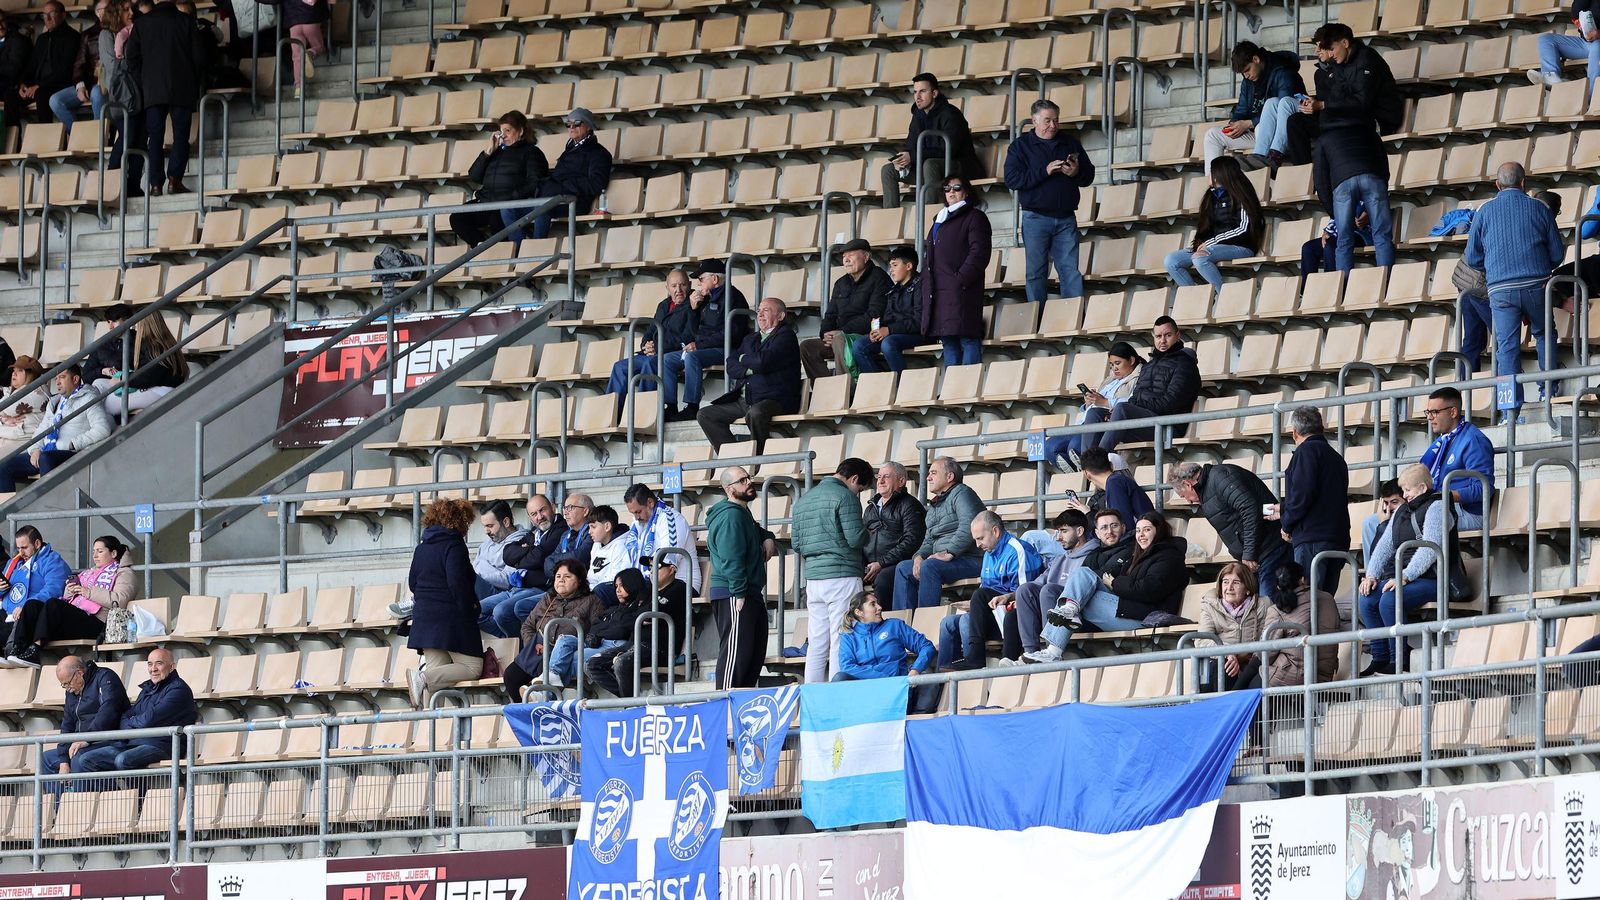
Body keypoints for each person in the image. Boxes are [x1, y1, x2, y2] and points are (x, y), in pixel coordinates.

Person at [1464, 162, 1565, 415]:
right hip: (1536, 284)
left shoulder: (1484, 212)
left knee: (1505, 347)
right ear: (1524, 183)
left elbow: (1472, 258)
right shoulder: (1539, 208)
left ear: (1497, 185)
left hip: (1500, 290)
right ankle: (1548, 390)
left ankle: (1511, 410)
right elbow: (1557, 254)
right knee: (1543, 335)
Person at [1301, 23, 1401, 273]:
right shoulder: (1339, 67)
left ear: (1345, 42)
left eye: (1331, 49)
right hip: (1372, 171)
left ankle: (1343, 286)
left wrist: (1333, 213)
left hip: (1378, 120)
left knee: (1343, 240)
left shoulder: (1367, 60)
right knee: (1382, 236)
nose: (1330, 55)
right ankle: (1386, 282)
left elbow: (1360, 103)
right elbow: (1382, 160)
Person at [1027, 513, 1190, 661]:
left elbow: (1147, 590)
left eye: (1146, 530)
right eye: (1139, 530)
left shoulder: (1169, 557)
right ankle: (1069, 613)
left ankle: (1054, 649)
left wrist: (1115, 583)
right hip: (1128, 610)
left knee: (1084, 593)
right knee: (1082, 574)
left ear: (1159, 531)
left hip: (1144, 618)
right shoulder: (1140, 556)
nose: (1140, 535)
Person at [1359, 464, 1470, 675]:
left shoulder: (1438, 507)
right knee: (1367, 597)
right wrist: (1371, 575)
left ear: (1421, 487)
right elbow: (1385, 545)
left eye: (1407, 490)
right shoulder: (1403, 510)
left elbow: (1430, 549)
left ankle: (1399, 658)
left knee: (1390, 599)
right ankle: (1379, 656)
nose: (1404, 494)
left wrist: (1405, 576)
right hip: (1409, 578)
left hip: (1434, 578)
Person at [1004, 97, 1095, 302]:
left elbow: (1089, 176)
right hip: (1035, 217)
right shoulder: (1020, 146)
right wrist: (1044, 171)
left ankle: (1072, 316)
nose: (1052, 125)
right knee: (1036, 273)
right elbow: (1012, 180)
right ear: (1034, 121)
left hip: (1065, 217)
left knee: (1070, 271)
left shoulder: (1070, 142)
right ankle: (1037, 320)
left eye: (1055, 120)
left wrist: (1076, 173)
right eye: (1047, 120)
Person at [790, 457, 872, 683]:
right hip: (842, 575)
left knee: (817, 642)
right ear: (854, 479)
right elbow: (856, 539)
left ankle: (812, 694)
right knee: (841, 638)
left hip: (814, 579)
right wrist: (868, 531)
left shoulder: (804, 501)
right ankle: (837, 693)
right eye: (860, 488)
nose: (858, 493)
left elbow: (796, 544)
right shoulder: (846, 497)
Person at [1021, 509, 1140, 663]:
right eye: (1104, 528)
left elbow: (1105, 574)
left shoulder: (1131, 549)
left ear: (1123, 528)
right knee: (1025, 591)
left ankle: (1060, 630)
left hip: (1116, 610)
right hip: (1093, 609)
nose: (1109, 531)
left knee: (1079, 574)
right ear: (1097, 532)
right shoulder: (1095, 554)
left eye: (1114, 526)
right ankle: (1030, 653)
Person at [3, 535, 133, 669]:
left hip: (98, 623)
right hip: (79, 618)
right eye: (93, 551)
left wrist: (86, 591)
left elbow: (119, 600)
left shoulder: (124, 573)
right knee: (32, 605)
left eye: (100, 551)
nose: (95, 556)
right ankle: (18, 649)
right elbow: (69, 597)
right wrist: (70, 590)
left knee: (54, 604)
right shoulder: (89, 572)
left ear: (113, 553)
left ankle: (35, 650)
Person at [403, 499, 484, 708]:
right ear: (459, 520)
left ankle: (430, 731)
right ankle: (421, 679)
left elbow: (413, 583)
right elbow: (458, 583)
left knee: (436, 678)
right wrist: (470, 610)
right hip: (450, 619)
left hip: (424, 619)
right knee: (472, 666)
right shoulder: (454, 545)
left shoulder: (422, 548)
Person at [697, 296, 801, 454]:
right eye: (759, 311)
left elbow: (762, 362)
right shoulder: (751, 338)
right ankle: (733, 458)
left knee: (756, 413)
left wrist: (744, 359)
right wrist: (749, 368)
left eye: (766, 310)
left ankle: (758, 459)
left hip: (774, 399)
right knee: (705, 414)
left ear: (781, 316)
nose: (760, 314)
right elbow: (731, 365)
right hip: (746, 400)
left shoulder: (786, 336)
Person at [72, 648, 195, 780]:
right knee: (86, 759)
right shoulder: (147, 689)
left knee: (123, 760)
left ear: (172, 666)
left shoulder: (178, 689)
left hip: (164, 745)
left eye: (159, 663)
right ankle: (116, 796)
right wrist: (135, 722)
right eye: (149, 664)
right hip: (133, 743)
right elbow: (125, 716)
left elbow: (148, 720)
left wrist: (133, 722)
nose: (153, 669)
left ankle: (138, 798)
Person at [1171, 460, 1290, 595]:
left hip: (1270, 550)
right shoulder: (1211, 485)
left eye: (1184, 495)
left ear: (1188, 484)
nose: (1189, 501)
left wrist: (1249, 554)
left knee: (1270, 606)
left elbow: (1250, 510)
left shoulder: (1220, 478)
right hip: (1261, 554)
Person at [705, 466, 776, 689]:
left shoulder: (741, 512)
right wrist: (738, 593)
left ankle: (740, 709)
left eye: (748, 478)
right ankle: (724, 706)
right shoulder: (730, 516)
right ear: (728, 489)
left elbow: (754, 530)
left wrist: (767, 537)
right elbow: (730, 558)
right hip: (735, 592)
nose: (749, 483)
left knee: (751, 656)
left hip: (748, 591)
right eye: (742, 481)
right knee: (735, 657)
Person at [945, 511, 1041, 670]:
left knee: (970, 612)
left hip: (1018, 617)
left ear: (995, 531)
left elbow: (1026, 594)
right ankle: (943, 677)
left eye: (980, 538)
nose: (977, 545)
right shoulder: (988, 552)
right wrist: (974, 605)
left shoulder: (1017, 550)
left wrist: (992, 600)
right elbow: (985, 589)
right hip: (996, 613)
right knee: (947, 623)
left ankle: (975, 659)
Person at [126, 0, 203, 196]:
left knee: (155, 138)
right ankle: (174, 179)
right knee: (180, 136)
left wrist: (143, 81)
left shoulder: (142, 23)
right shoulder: (186, 21)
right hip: (182, 86)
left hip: (152, 89)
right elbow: (198, 57)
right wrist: (195, 81)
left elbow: (131, 57)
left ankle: (155, 184)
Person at [1273, 406, 1351, 595]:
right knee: (1325, 600)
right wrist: (1284, 509)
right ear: (1321, 428)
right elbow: (1322, 497)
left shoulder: (1305, 453)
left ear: (1294, 432)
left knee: (1309, 600)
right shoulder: (1336, 458)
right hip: (1337, 537)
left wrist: (1286, 524)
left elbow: (1302, 496)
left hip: (1313, 539)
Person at [1094, 317, 1201, 452]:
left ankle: (1098, 463)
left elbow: (1169, 405)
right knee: (1095, 413)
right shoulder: (1148, 366)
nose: (1162, 340)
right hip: (1146, 423)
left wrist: (1134, 407)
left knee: (1122, 409)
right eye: (1158, 336)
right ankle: (1086, 468)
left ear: (1177, 335)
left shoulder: (1185, 366)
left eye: (1168, 335)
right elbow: (1135, 397)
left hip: (1167, 427)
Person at [891, 456, 986, 609]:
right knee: (903, 568)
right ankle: (903, 625)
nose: (928, 477)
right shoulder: (935, 504)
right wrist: (918, 557)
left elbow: (969, 526)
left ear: (950, 476)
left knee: (929, 566)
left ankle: (925, 622)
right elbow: (929, 540)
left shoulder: (962, 493)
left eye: (933, 473)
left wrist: (950, 552)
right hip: (944, 560)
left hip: (971, 558)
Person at [586, 558, 689, 697]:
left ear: (672, 569)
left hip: (659, 648)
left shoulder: (679, 588)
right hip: (633, 644)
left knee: (622, 663)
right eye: (650, 568)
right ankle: (632, 698)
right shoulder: (649, 592)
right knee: (592, 664)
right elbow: (632, 617)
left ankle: (631, 706)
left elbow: (647, 615)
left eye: (657, 567)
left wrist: (641, 616)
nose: (652, 571)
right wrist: (641, 617)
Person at [662, 259, 749, 422]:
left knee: (692, 356)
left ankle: (692, 407)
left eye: (701, 279)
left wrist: (699, 345)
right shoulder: (707, 298)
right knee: (667, 359)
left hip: (725, 348)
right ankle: (671, 407)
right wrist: (694, 310)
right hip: (703, 347)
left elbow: (733, 334)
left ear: (714, 279)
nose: (698, 283)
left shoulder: (733, 297)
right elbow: (695, 331)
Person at [0, 365, 112, 492]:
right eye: (56, 378)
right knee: (4, 467)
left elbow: (102, 429)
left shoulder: (88, 398)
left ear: (75, 379)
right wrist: (35, 448)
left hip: (70, 452)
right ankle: (6, 510)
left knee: (45, 459)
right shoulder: (54, 402)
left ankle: (46, 505)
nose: (57, 382)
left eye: (62, 377)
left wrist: (73, 444)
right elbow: (42, 429)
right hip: (46, 451)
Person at [1007, 509, 1099, 661]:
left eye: (1063, 531)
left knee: (1049, 590)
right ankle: (1030, 652)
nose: (1058, 538)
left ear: (1080, 531)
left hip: (1079, 617)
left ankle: (1052, 648)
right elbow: (1038, 582)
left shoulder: (1094, 555)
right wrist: (1010, 596)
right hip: (1053, 611)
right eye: (1057, 532)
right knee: (1024, 590)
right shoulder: (1060, 559)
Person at [880, 73, 982, 208]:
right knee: (888, 170)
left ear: (934, 93)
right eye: (915, 92)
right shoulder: (918, 115)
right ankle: (890, 220)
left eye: (922, 91)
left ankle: (928, 215)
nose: (918, 96)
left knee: (930, 164)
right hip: (929, 170)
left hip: (960, 166)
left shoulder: (950, 114)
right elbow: (911, 146)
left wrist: (914, 156)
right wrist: (903, 161)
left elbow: (949, 150)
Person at [448, 110, 550, 246]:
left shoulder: (532, 152)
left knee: (498, 222)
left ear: (520, 131)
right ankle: (483, 247)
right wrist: (487, 152)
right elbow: (474, 176)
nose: (503, 135)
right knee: (457, 217)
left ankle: (502, 256)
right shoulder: (495, 152)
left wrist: (511, 197)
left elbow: (534, 182)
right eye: (501, 130)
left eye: (508, 130)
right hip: (486, 202)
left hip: (509, 204)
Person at [1203, 41, 1305, 176]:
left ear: (1256, 59)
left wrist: (1249, 123)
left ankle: (1264, 161)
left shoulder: (1282, 71)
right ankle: (1214, 183)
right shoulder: (1248, 81)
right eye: (1243, 73)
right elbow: (1242, 109)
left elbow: (1283, 110)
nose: (1246, 76)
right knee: (1212, 135)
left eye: (1247, 70)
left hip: (1278, 133)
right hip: (1257, 134)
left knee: (1265, 117)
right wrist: (1235, 124)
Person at [504, 558, 602, 697]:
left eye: (567, 576)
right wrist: (535, 643)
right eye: (558, 576)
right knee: (511, 676)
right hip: (538, 651)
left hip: (564, 652)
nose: (561, 580)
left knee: (543, 669)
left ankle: (545, 710)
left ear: (579, 580)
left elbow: (596, 632)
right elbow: (528, 626)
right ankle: (526, 715)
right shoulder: (548, 599)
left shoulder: (592, 601)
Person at [1164, 156, 1264, 292]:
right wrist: (1202, 243)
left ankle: (1221, 296)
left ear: (1220, 174)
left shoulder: (1241, 195)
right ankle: (1196, 297)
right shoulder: (1211, 196)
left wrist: (1212, 242)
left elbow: (1244, 229)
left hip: (1241, 246)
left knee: (1200, 259)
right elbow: (1206, 227)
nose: (1209, 175)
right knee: (1171, 261)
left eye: (1211, 171)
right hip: (1214, 246)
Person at [922, 175, 990, 367]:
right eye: (947, 188)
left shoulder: (975, 217)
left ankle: (969, 390)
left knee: (967, 338)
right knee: (949, 341)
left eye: (957, 188)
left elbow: (979, 253)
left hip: (962, 289)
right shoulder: (939, 219)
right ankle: (953, 393)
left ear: (966, 191)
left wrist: (960, 279)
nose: (951, 192)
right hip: (940, 290)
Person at [801, 239, 893, 380]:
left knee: (839, 340)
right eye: (844, 256)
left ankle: (846, 391)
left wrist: (843, 332)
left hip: (865, 336)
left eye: (851, 255)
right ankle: (825, 390)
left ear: (866, 257)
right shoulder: (841, 283)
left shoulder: (879, 277)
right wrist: (825, 334)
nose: (846, 260)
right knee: (808, 347)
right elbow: (830, 315)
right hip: (839, 336)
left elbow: (875, 314)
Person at [836, 594, 940, 714]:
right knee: (840, 678)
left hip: (896, 691)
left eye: (878, 603)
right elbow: (847, 667)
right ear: (859, 612)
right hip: (867, 694)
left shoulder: (894, 626)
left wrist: (916, 670)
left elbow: (926, 646)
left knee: (928, 675)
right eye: (872, 604)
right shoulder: (849, 636)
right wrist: (883, 678)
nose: (879, 607)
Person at [605, 269, 693, 409]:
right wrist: (646, 345)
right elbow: (651, 330)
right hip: (653, 353)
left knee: (649, 364)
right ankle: (612, 415)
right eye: (674, 286)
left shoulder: (694, 305)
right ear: (667, 288)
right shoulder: (663, 305)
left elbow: (688, 336)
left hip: (671, 354)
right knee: (620, 367)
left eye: (682, 285)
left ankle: (642, 413)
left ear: (689, 284)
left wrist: (657, 347)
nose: (678, 290)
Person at [478, 494, 562, 639]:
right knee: (474, 610)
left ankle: (519, 647)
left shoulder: (558, 530)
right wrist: (530, 552)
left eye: (542, 510)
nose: (539, 517)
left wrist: (524, 555)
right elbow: (509, 554)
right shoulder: (534, 533)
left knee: (501, 611)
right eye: (534, 514)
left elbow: (537, 558)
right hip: (516, 588)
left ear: (553, 508)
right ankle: (511, 641)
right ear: (529, 518)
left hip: (535, 588)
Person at [1046, 342, 1142, 468]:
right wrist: (1088, 403)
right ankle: (1081, 474)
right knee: (1049, 447)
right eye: (1112, 365)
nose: (1114, 368)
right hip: (1084, 423)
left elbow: (1131, 403)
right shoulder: (1110, 379)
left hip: (1102, 425)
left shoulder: (1140, 377)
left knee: (1074, 447)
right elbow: (1090, 408)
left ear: (1131, 360)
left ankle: (1087, 474)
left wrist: (1103, 402)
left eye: (1118, 363)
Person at [41, 656, 126, 793]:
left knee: (79, 757)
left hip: (110, 741)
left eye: (67, 683)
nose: (66, 688)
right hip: (83, 744)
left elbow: (108, 711)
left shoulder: (105, 678)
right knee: (46, 759)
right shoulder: (72, 691)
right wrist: (63, 759)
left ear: (80, 673)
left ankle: (81, 809)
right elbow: (67, 724)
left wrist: (87, 738)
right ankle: (61, 810)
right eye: (63, 685)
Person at [1417, 386, 1495, 531]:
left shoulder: (1473, 441)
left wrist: (1443, 496)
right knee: (1375, 522)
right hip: (1441, 507)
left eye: (1434, 412)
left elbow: (1483, 488)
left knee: (1416, 523)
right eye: (1428, 412)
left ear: (1453, 412)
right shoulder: (1443, 440)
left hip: (1468, 513)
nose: (1429, 417)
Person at [529, 107, 612, 239]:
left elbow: (597, 184)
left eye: (577, 123)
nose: (571, 127)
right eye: (568, 124)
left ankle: (533, 249)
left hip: (575, 202)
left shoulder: (599, 153)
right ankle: (518, 249)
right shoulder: (569, 149)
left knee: (541, 210)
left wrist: (565, 185)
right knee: (509, 210)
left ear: (589, 126)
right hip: (553, 198)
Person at [93, 311, 189, 418]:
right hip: (152, 386)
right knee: (99, 383)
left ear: (144, 325)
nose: (135, 329)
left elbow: (147, 378)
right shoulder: (160, 341)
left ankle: (105, 430)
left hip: (162, 390)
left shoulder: (155, 346)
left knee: (108, 403)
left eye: (137, 325)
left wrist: (121, 379)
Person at [1263, 560, 1342, 688]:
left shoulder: (1277, 610)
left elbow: (1266, 655)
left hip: (1291, 679)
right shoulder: (1328, 598)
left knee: (1249, 687)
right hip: (1324, 677)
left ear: (1278, 586)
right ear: (1303, 580)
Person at [1194, 563, 1270, 691]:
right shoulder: (1210, 605)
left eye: (1236, 582)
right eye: (1225, 582)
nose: (1229, 587)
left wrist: (1244, 662)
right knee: (1223, 667)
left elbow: (1265, 641)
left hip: (1251, 663)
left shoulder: (1263, 605)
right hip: (1223, 661)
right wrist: (1228, 653)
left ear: (1247, 587)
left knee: (1260, 678)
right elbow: (1202, 640)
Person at [0, 525, 72, 657]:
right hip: (7, 613)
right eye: (18, 548)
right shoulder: (13, 563)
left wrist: (26, 605)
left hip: (30, 614)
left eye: (24, 547)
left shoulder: (52, 561)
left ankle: (12, 654)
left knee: (25, 612)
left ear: (37, 543)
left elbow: (53, 589)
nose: (20, 552)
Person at [853, 245, 924, 374]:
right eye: (890, 266)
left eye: (895, 265)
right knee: (859, 345)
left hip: (918, 334)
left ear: (908, 266)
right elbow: (888, 316)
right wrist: (878, 330)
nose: (891, 270)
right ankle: (881, 387)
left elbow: (919, 322)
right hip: (896, 333)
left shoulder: (921, 287)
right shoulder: (894, 290)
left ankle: (900, 387)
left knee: (888, 343)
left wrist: (889, 330)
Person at [862, 461, 925, 604]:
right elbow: (862, 540)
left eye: (887, 476)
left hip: (896, 563)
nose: (881, 481)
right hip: (871, 565)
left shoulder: (909, 504)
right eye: (879, 477)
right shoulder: (870, 508)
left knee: (883, 579)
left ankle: (886, 622)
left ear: (901, 481)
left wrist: (881, 563)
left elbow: (912, 541)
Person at [623, 483, 699, 594]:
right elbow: (627, 559)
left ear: (650, 502)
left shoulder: (670, 519)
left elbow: (668, 562)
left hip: (681, 584)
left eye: (638, 512)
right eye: (633, 513)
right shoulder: (637, 524)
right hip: (652, 582)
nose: (636, 517)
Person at [15, 1, 79, 123]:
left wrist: (39, 86)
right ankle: (14, 141)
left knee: (41, 94)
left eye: (52, 14)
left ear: (63, 15)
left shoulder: (72, 37)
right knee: (11, 97)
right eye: (44, 15)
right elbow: (31, 66)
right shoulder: (42, 39)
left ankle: (46, 139)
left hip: (59, 85)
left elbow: (65, 71)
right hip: (38, 86)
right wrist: (23, 84)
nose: (47, 18)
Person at [98, 0, 138, 182]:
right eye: (126, 10)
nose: (131, 13)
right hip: (120, 96)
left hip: (138, 94)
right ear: (116, 13)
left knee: (138, 141)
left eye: (132, 9)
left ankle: (133, 185)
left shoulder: (134, 31)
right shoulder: (106, 35)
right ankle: (111, 179)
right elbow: (113, 66)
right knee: (126, 138)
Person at [48, 0, 102, 131]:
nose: (103, 13)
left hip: (108, 84)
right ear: (96, 12)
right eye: (100, 10)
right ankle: (78, 134)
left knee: (97, 92)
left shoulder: (120, 31)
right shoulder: (88, 34)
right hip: (90, 81)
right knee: (55, 100)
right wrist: (80, 85)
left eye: (107, 9)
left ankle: (98, 136)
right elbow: (79, 63)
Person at [1073, 446, 1154, 532]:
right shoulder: (1115, 481)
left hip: (1140, 540)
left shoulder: (1114, 484)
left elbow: (1122, 526)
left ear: (1086, 474)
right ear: (1111, 466)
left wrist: (1088, 514)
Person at [1527, 1, 1600, 89]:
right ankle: (1551, 76)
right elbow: (1577, 13)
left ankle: (1591, 96)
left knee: (1597, 46)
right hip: (1586, 43)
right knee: (1546, 39)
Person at [1299, 206, 1370, 290]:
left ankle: (1331, 290)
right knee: (1308, 248)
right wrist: (1327, 232)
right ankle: (1307, 292)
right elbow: (1334, 216)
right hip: (1338, 235)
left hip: (1359, 234)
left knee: (1330, 246)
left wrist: (1367, 213)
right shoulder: (1340, 195)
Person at [472, 500, 527, 601]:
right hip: (480, 589)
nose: (486, 531)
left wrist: (479, 572)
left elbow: (508, 580)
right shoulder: (486, 544)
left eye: (490, 526)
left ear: (506, 522)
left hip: (502, 594)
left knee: (468, 577)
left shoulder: (521, 542)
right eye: (485, 526)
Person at [585, 504, 639, 607]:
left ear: (607, 526)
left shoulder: (622, 545)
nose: (589, 531)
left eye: (593, 527)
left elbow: (615, 578)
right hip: (595, 589)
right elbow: (591, 576)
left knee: (599, 591)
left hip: (612, 589)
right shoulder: (596, 545)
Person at [0, 356, 47, 459]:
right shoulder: (16, 391)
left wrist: (4, 416)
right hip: (8, 437)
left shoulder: (37, 391)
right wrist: (4, 419)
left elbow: (7, 408)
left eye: (20, 370)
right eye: (14, 370)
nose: (14, 373)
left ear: (30, 374)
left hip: (23, 443)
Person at [281, 0, 326, 94]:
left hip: (293, 24)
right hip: (310, 19)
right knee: (319, 47)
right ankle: (310, 53)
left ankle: (298, 87)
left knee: (297, 56)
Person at [0, 14, 35, 123]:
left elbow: (13, 70)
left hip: (13, 85)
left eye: (2, 21)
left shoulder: (18, 40)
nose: (0, 26)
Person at [1364, 479, 1404, 560]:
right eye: (1386, 503)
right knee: (1370, 521)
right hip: (1378, 564)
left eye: (1394, 502)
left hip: (1401, 565)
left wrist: (1384, 524)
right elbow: (1375, 556)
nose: (1389, 508)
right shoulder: (1374, 521)